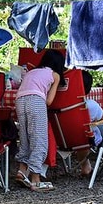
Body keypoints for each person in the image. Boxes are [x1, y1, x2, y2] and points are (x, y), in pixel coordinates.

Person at [14, 49, 64, 192]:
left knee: (24, 137)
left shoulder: (31, 72)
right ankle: (35, 180)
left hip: (19, 100)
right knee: (39, 139)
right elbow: (48, 101)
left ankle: (22, 171)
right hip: (36, 101)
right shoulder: (54, 75)